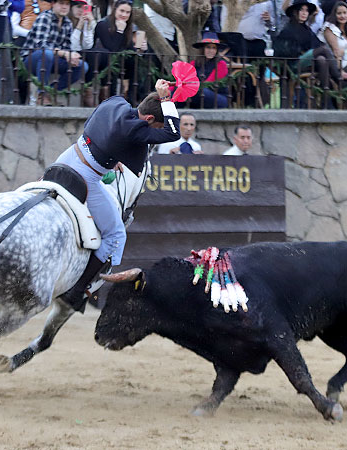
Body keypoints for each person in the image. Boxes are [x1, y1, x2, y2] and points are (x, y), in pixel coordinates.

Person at [55, 79, 180, 312]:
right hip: (87, 176)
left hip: (67, 157)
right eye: (154, 129)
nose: (152, 135)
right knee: (115, 235)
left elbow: (94, 125)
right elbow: (173, 133)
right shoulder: (137, 128)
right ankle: (75, 292)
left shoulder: (116, 103)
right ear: (149, 120)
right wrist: (166, 99)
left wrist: (111, 152)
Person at [274, 0, 340, 107]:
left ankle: (326, 102)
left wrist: (312, 53)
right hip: (292, 65)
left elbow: (316, 44)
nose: (304, 13)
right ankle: (338, 77)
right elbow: (283, 51)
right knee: (323, 50)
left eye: (306, 10)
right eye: (301, 10)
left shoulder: (307, 29)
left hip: (307, 63)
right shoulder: (288, 29)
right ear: (295, 12)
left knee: (322, 60)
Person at [21, 0, 88, 106]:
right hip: (31, 60)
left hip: (53, 59)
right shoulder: (45, 17)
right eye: (61, 3)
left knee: (82, 66)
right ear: (53, 4)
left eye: (67, 4)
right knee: (47, 54)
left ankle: (50, 92)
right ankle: (41, 94)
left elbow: (67, 47)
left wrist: (72, 56)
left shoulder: (67, 23)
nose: (65, 7)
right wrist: (65, 54)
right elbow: (41, 45)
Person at [87, 0, 136, 98]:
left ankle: (130, 95)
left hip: (119, 60)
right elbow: (112, 49)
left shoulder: (129, 26)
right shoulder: (103, 24)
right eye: (121, 11)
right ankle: (107, 95)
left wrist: (141, 49)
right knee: (111, 60)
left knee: (135, 60)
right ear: (115, 10)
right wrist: (119, 31)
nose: (124, 14)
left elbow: (130, 50)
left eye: (127, 12)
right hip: (104, 59)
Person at [188, 31, 229, 109]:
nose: (211, 51)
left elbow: (209, 84)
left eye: (214, 48)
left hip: (218, 97)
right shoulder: (194, 63)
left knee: (202, 91)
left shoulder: (221, 64)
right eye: (208, 47)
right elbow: (184, 80)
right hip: (196, 94)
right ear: (203, 49)